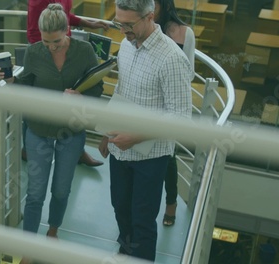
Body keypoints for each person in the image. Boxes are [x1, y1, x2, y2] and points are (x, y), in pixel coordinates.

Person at [0, 4, 103, 264]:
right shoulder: (35, 53)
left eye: (56, 42)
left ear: (67, 31)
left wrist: (81, 96)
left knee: (60, 190)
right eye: (46, 42)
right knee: (35, 193)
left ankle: (53, 231)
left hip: (71, 132)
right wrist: (12, 82)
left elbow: (98, 88)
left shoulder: (85, 51)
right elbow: (27, 86)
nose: (51, 47)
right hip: (38, 131)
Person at [98, 0, 192, 261]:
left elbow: (181, 117)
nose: (122, 30)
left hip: (151, 157)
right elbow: (121, 90)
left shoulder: (172, 58)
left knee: (142, 221)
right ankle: (126, 252)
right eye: (119, 23)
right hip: (121, 148)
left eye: (128, 24)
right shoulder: (126, 46)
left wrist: (135, 136)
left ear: (150, 17)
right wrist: (108, 132)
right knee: (120, 210)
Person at [23, 0, 109, 167]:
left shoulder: (82, 49)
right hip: (42, 52)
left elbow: (64, 15)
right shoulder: (38, 3)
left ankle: (76, 150)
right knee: (39, 106)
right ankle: (29, 148)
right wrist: (50, 50)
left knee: (74, 96)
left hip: (62, 42)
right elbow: (35, 33)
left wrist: (87, 23)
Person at [154, 0, 195, 227]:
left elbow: (189, 71)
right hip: (147, 100)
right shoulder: (144, 27)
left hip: (169, 102)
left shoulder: (184, 33)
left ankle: (171, 202)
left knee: (168, 155)